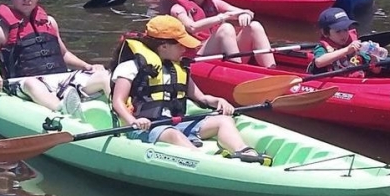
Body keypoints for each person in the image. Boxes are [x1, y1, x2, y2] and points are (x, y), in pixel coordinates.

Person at [110, 15, 272, 165]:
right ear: (164, 46)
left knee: (224, 121)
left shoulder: (178, 69)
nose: (184, 50)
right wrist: (133, 121)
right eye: (180, 45)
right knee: (172, 134)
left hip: (176, 123)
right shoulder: (130, 67)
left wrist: (218, 101)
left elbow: (202, 98)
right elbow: (117, 102)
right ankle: (206, 162)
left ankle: (245, 152)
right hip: (145, 127)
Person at [0, 0, 110, 114]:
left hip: (58, 79)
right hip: (23, 83)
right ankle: (64, 112)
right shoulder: (0, 29)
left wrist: (87, 66)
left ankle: (122, 115)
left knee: (104, 76)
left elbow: (64, 54)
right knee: (32, 84)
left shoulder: (50, 22)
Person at [159, 0, 276, 68]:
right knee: (226, 29)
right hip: (199, 55)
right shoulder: (178, 8)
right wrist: (222, 17)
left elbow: (248, 12)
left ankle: (271, 69)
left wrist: (244, 14)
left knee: (254, 26)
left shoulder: (214, 2)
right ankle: (238, 71)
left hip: (220, 53)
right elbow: (192, 27)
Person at [307, 8, 383, 78]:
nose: (343, 34)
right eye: (338, 31)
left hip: (356, 83)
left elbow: (377, 71)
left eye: (345, 30)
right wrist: (346, 50)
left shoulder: (356, 47)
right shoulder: (322, 48)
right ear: (325, 33)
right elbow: (319, 62)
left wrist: (374, 57)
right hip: (332, 83)